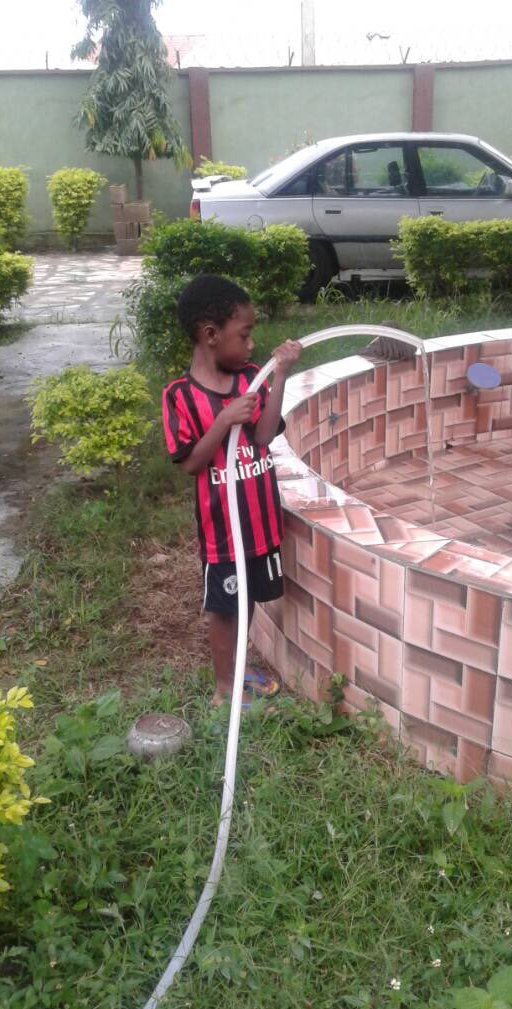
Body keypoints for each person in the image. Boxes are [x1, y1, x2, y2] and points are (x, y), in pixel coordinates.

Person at [162, 274, 301, 707]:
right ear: (210, 335)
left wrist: (278, 376)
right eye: (244, 334)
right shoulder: (180, 396)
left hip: (261, 526)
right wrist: (223, 422)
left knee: (250, 601)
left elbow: (262, 437)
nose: (252, 344)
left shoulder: (249, 380)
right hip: (224, 534)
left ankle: (240, 670)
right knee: (224, 611)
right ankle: (224, 686)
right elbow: (189, 463)